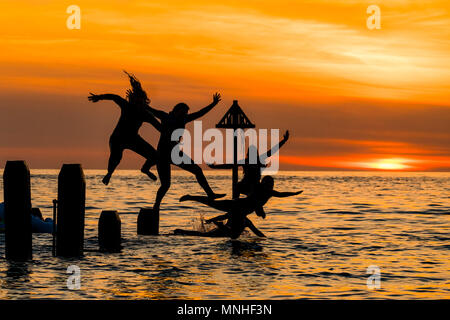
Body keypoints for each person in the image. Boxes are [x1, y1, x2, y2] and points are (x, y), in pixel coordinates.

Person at [142, 93, 226, 212]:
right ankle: (156, 205)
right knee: (166, 185)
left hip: (176, 154)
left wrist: (213, 104)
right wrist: (139, 101)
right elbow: (149, 109)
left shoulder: (184, 119)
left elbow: (200, 113)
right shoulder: (164, 116)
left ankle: (210, 194)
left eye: (185, 113)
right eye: (182, 113)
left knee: (197, 170)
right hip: (162, 155)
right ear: (176, 111)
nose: (184, 115)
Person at [88, 71, 161, 185]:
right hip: (118, 138)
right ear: (132, 99)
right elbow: (114, 97)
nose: (138, 103)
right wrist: (99, 97)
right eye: (136, 100)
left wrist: (172, 134)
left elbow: (159, 127)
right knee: (116, 158)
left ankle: (145, 169)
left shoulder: (145, 113)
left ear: (144, 102)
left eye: (141, 101)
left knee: (156, 156)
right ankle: (109, 174)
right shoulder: (126, 106)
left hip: (133, 139)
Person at [176, 176, 302, 238]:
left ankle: (221, 228)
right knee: (213, 203)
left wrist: (293, 194)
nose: (268, 186)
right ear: (263, 183)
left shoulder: (269, 192)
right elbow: (279, 195)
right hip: (236, 205)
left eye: (270, 184)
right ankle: (191, 197)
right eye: (266, 184)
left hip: (239, 210)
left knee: (234, 232)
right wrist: (294, 193)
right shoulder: (259, 190)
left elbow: (281, 194)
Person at [208, 130, 290, 218]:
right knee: (238, 186)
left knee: (254, 193)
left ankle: (258, 208)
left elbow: (272, 151)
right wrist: (215, 167)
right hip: (245, 185)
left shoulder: (259, 159)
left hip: (255, 187)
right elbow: (230, 165)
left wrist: (283, 141)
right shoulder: (245, 161)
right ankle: (235, 202)